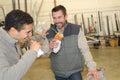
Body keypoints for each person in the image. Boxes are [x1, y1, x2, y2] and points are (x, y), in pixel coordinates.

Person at [46, 5, 99, 80]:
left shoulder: (76, 30)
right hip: (59, 73)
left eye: (59, 17)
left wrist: (92, 68)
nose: (57, 21)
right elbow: (44, 53)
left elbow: (85, 50)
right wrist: (49, 48)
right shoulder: (49, 33)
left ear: (66, 16)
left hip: (75, 72)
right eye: (54, 18)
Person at [0, 10, 44, 80]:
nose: (30, 35)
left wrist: (40, 37)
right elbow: (5, 77)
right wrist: (31, 52)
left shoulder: (13, 38)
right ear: (13, 31)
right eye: (28, 32)